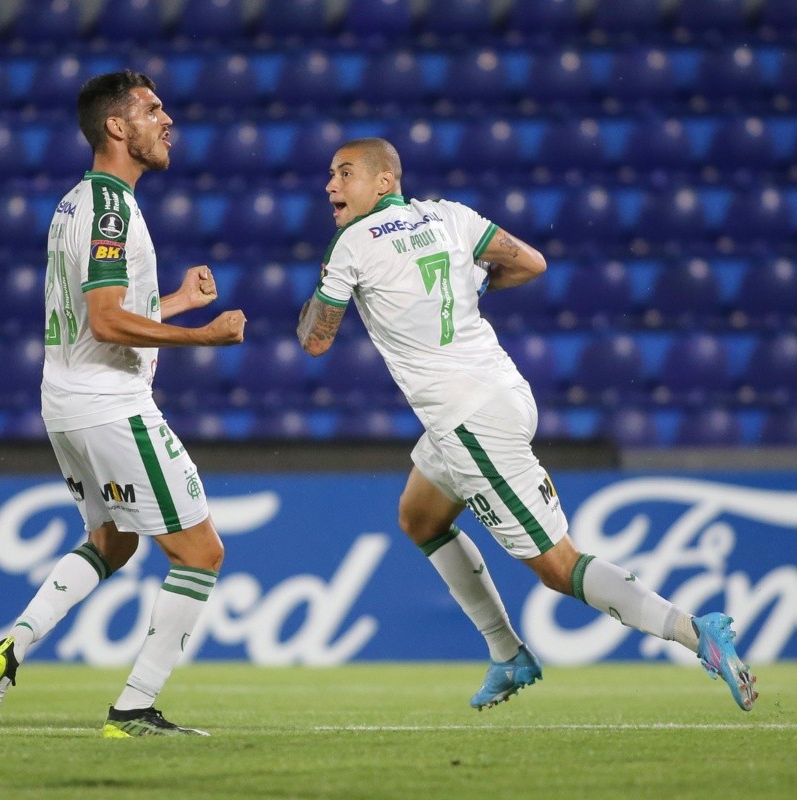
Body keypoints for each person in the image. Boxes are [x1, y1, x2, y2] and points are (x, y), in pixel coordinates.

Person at [296, 137, 758, 713]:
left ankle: (694, 630)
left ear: (384, 181)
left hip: (468, 421)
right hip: (501, 393)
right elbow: (532, 263)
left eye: (343, 174)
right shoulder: (450, 215)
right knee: (419, 517)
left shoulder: (351, 243)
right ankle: (506, 653)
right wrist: (478, 283)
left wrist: (326, 281)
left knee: (557, 567)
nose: (330, 186)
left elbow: (315, 341)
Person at [0, 71, 246, 736]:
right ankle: (135, 707)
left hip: (68, 401)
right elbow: (108, 322)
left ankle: (9, 647)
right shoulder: (111, 209)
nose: (168, 121)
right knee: (201, 553)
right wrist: (202, 334)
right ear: (116, 127)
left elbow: (96, 318)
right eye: (152, 109)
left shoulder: (79, 203)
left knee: (113, 541)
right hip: (110, 404)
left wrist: (177, 303)